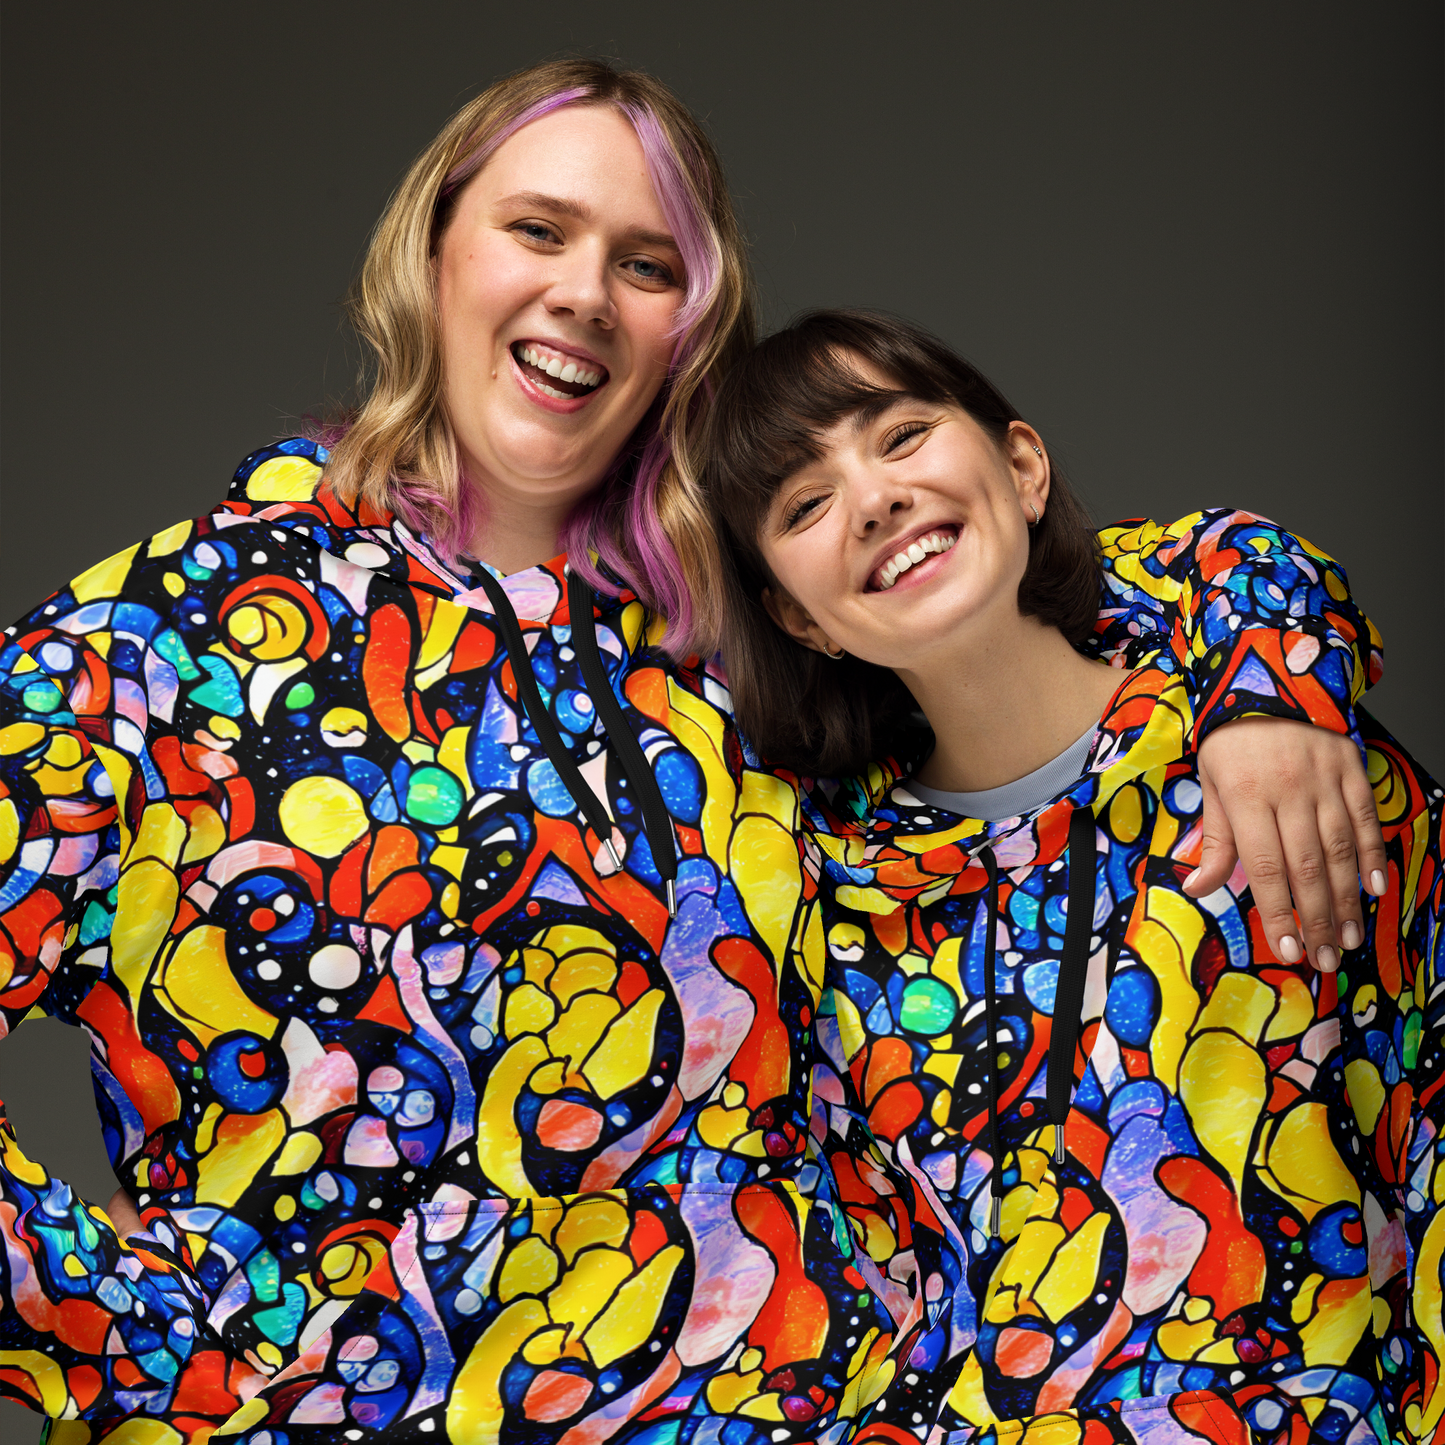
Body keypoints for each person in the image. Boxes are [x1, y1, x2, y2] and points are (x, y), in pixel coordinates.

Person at [0, 63, 1390, 1444]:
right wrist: (142, 1336)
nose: (584, 294)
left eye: (645, 264)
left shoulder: (732, 648)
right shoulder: (160, 639)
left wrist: (1269, 682)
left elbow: (1069, 594)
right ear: (432, 252)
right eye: (537, 231)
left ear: (690, 329)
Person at [702, 308, 1442, 1444]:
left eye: (900, 436)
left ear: (1021, 466)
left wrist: (1265, 670)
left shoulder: (1271, 754)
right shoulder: (828, 903)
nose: (873, 499)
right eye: (804, 506)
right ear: (801, 618)